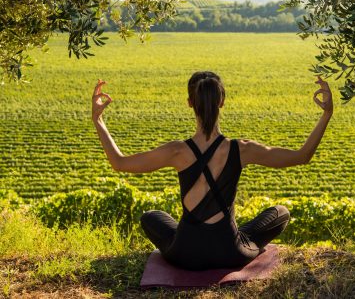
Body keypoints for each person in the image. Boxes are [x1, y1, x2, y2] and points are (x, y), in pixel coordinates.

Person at [92, 71, 333, 270]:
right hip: (230, 253)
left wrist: (99, 122)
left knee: (150, 217)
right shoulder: (242, 149)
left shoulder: (176, 151)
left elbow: (120, 163)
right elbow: (302, 156)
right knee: (280, 213)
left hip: (184, 254)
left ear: (190, 103)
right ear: (222, 102)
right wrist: (326, 114)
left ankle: (196, 236)